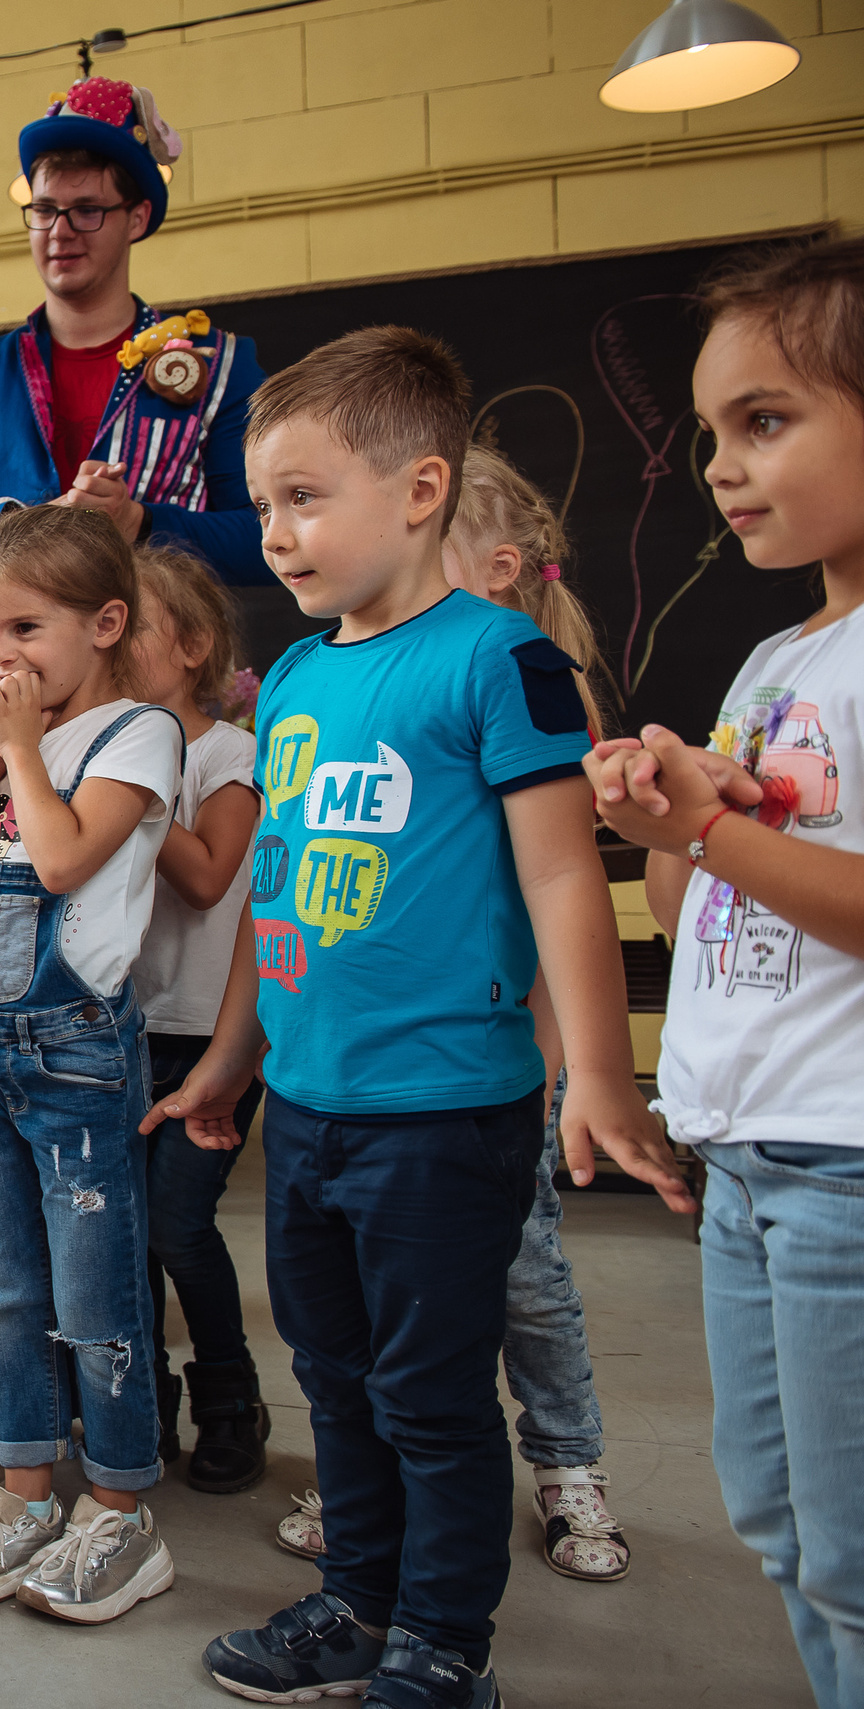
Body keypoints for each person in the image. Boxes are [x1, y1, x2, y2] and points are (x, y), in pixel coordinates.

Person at [160, 327, 680, 1709]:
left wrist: (602, 1078)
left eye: (306, 495)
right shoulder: (302, 683)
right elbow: (278, 897)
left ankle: (445, 1646)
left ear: (423, 490)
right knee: (331, 1375)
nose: (275, 531)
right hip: (313, 1108)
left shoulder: (499, 661)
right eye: (263, 502)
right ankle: (361, 1600)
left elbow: (568, 872)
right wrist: (234, 1064)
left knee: (433, 1398)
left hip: (447, 1112)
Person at [587, 233, 864, 1708]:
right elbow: (697, 893)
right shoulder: (775, 662)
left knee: (856, 1551)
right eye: (708, 435)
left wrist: (709, 821)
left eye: (765, 422)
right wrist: (671, 818)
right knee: (780, 1524)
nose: (719, 465)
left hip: (847, 1163)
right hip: (751, 1154)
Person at [0, 504, 183, 1622]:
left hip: (76, 1055)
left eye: (24, 626)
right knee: (6, 1287)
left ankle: (119, 1508)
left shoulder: (135, 734)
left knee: (95, 1293)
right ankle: (23, 1491)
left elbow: (62, 859)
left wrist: (19, 748)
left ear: (104, 621)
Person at [0, 78, 269, 586]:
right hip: (13, 661)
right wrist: (20, 523)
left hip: (163, 655)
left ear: (137, 217)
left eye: (87, 209)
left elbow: (265, 536)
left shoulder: (220, 365)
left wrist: (141, 523)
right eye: (44, 210)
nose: (60, 231)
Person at [128, 545, 269, 1494]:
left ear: (193, 645)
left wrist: (129, 795)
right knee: (121, 1230)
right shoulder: (106, 748)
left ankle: (229, 1393)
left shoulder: (230, 753)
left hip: (211, 1033)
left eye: (129, 621)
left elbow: (213, 872)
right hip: (117, 1030)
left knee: (178, 1225)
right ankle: (140, 1401)